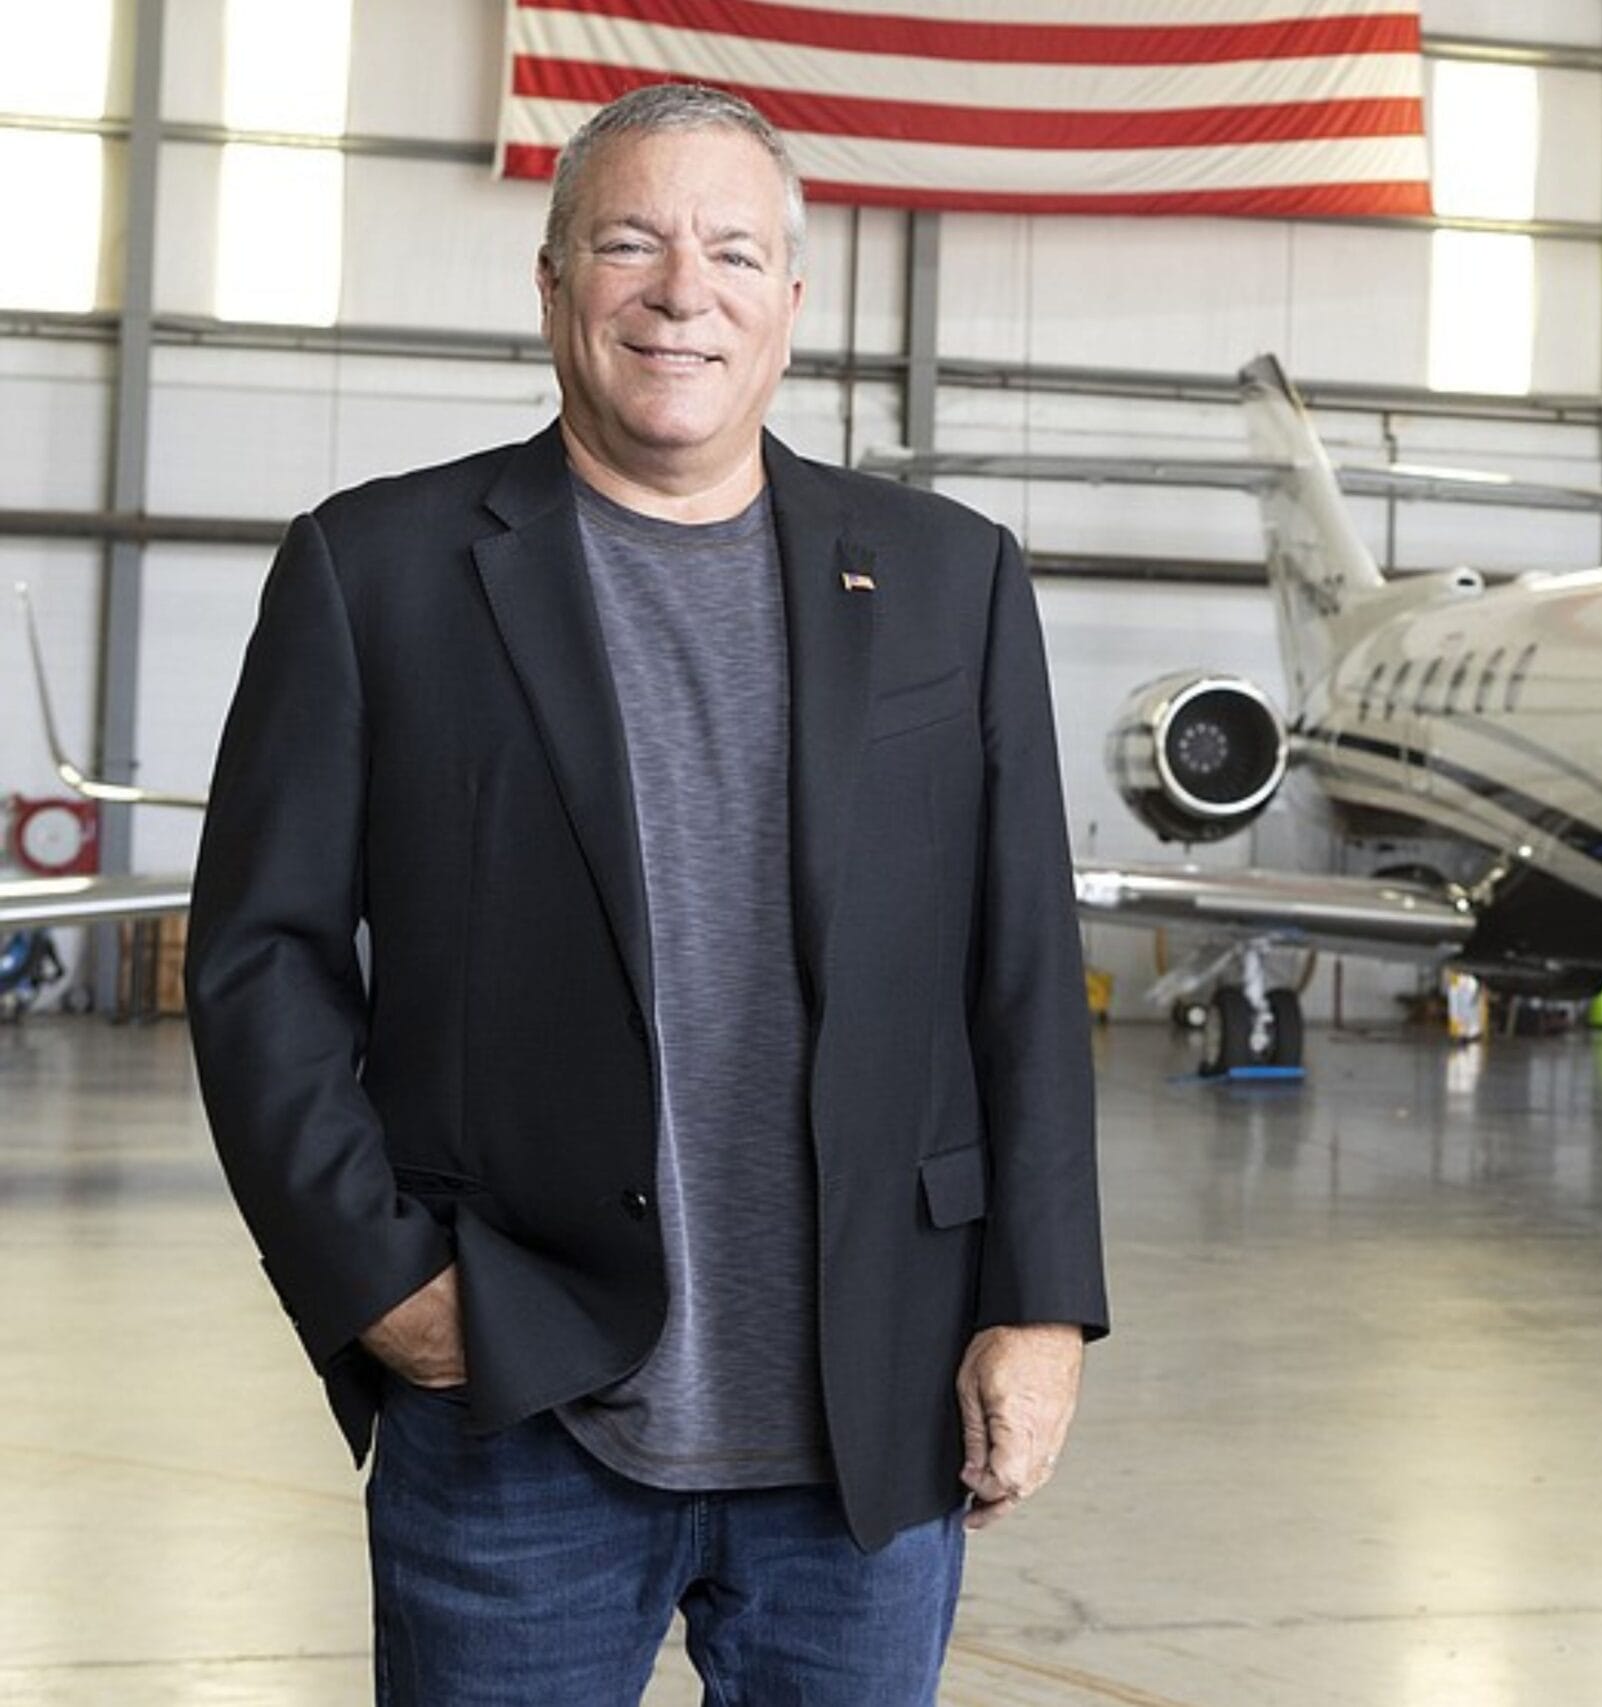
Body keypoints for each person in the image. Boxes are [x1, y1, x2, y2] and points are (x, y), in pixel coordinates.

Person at [184, 84, 1107, 1705]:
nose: (685, 291)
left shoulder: (954, 578)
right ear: (551, 287)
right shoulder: (376, 570)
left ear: (791, 307)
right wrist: (381, 1285)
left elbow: (1019, 966)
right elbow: (262, 960)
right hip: (520, 1407)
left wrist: (1040, 1313)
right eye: (631, 242)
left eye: (733, 251)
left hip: (868, 1417)